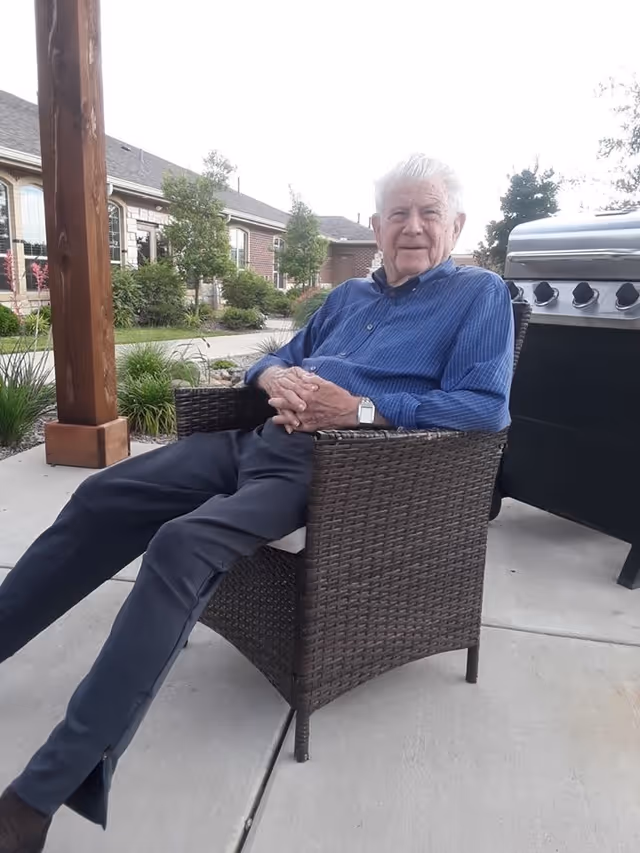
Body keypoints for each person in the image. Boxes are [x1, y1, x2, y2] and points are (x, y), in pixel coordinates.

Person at [0, 154, 514, 852]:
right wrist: (275, 375)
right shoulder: (346, 299)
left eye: (429, 213)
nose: (413, 227)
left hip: (336, 469)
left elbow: (484, 408)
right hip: (254, 439)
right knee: (102, 494)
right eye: (399, 213)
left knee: (182, 542)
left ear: (456, 225)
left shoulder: (477, 296)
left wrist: (360, 409)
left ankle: (38, 796)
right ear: (375, 227)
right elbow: (269, 357)